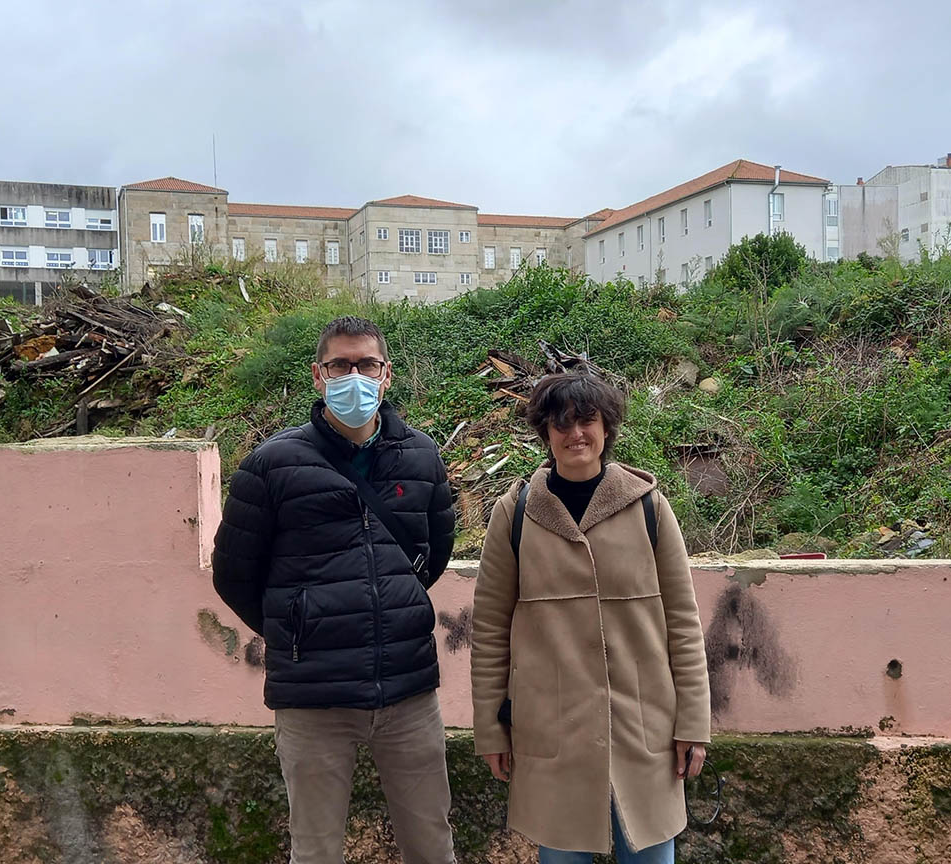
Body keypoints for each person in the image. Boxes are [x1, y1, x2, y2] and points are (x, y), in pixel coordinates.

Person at [212, 315, 457, 864]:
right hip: (313, 698)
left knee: (431, 844)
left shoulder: (420, 456)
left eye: (366, 364)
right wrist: (299, 630)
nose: (354, 376)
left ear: (386, 374)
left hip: (408, 690)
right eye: (340, 365)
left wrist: (390, 608)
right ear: (318, 375)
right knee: (316, 850)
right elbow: (233, 575)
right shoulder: (272, 465)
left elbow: (432, 553)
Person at [470, 373, 710, 863]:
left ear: (606, 427)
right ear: (545, 431)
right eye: (561, 423)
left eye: (587, 420)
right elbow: (490, 631)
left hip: (643, 730)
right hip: (551, 732)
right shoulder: (515, 513)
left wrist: (693, 724)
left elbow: (683, 624)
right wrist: (491, 729)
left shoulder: (649, 507)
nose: (575, 433)